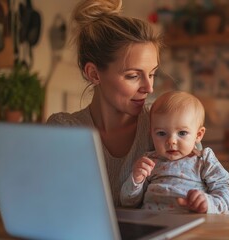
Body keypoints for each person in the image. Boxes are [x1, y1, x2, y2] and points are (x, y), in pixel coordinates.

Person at [46, 0, 163, 207]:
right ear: (94, 74)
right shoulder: (63, 131)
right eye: (133, 76)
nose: (149, 87)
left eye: (152, 74)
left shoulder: (165, 125)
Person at [120, 91, 229, 214]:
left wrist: (208, 203)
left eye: (182, 133)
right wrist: (136, 180)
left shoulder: (203, 160)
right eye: (161, 133)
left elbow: (228, 190)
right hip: (153, 225)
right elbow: (128, 203)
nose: (171, 141)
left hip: (190, 224)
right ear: (151, 134)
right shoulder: (149, 161)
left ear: (198, 135)